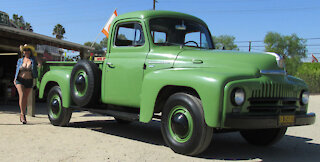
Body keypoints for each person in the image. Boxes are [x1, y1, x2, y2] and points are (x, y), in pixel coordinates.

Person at [14, 44, 38, 124]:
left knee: (25, 98)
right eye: (25, 50)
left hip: (29, 80)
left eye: (28, 50)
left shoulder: (33, 60)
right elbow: (17, 69)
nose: (26, 52)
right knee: (22, 95)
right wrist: (15, 78)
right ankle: (22, 114)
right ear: (23, 52)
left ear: (30, 52)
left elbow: (36, 71)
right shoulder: (20, 60)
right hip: (20, 80)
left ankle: (23, 114)